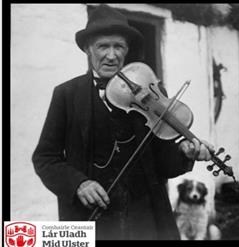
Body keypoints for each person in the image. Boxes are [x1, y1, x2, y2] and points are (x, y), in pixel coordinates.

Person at [32, 4, 214, 240]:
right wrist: (78, 184)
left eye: (118, 46)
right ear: (88, 49)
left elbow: (163, 163)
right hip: (92, 219)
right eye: (102, 46)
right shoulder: (66, 94)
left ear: (127, 49)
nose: (111, 55)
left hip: (146, 218)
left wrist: (183, 152)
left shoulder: (151, 95)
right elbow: (46, 158)